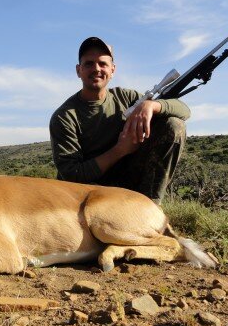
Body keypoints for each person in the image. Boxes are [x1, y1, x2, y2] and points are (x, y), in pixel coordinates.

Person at [49, 36, 190, 204]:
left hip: (129, 181)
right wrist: (120, 150)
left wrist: (152, 106)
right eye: (89, 64)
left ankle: (151, 206)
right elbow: (72, 174)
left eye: (103, 64)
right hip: (89, 192)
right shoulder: (64, 117)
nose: (96, 69)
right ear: (78, 70)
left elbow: (184, 111)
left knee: (174, 125)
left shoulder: (127, 97)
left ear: (112, 70)